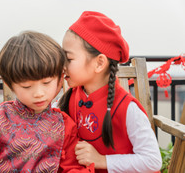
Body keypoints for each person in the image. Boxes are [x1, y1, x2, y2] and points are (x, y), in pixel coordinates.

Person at [0, 31, 92, 173]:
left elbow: (73, 168)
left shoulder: (64, 125)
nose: (39, 93)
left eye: (46, 83)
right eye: (27, 86)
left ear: (60, 80)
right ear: (10, 84)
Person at [58, 11, 162, 172]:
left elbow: (152, 161)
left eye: (69, 59)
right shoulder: (70, 98)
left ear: (99, 63)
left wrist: (102, 160)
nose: (62, 65)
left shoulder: (127, 108)